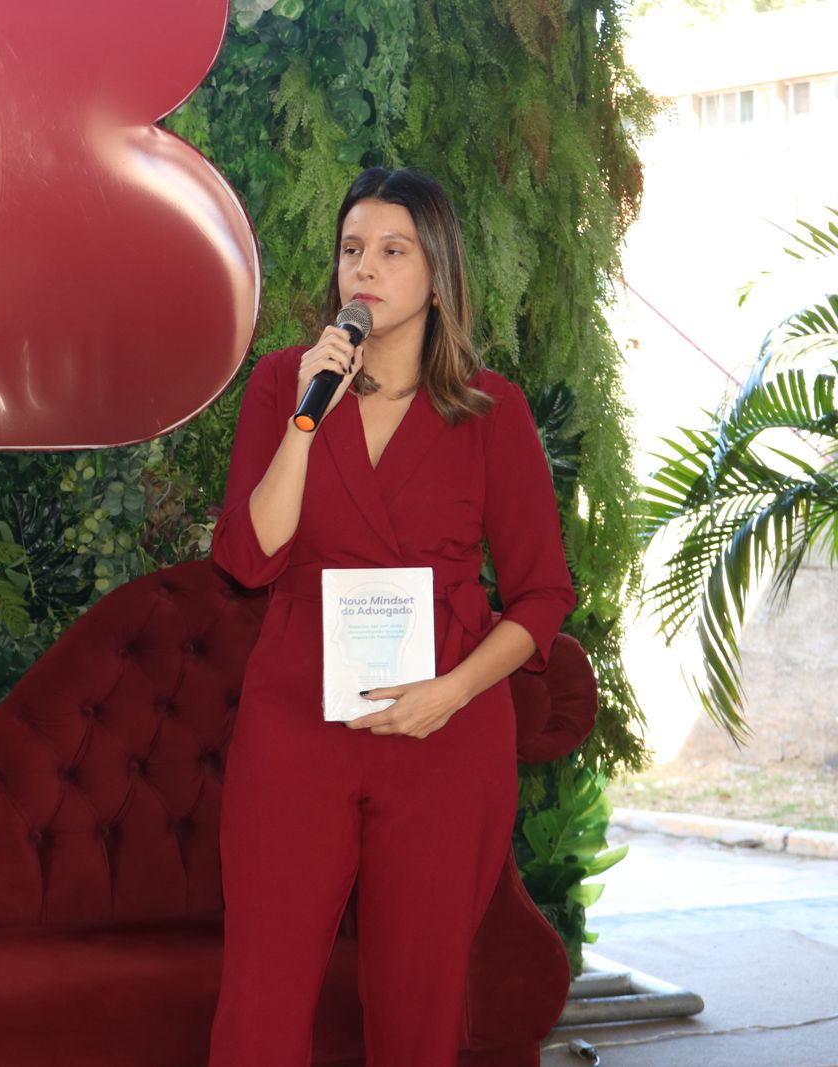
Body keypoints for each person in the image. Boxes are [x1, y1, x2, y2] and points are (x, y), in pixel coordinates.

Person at [205, 167, 576, 1066]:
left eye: (393, 250)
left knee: (419, 1007)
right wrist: (306, 421)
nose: (364, 268)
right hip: (297, 724)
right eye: (351, 249)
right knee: (261, 1003)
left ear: (438, 275)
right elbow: (249, 558)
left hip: (442, 733)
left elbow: (542, 595)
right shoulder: (284, 386)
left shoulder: (491, 410)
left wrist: (450, 692)